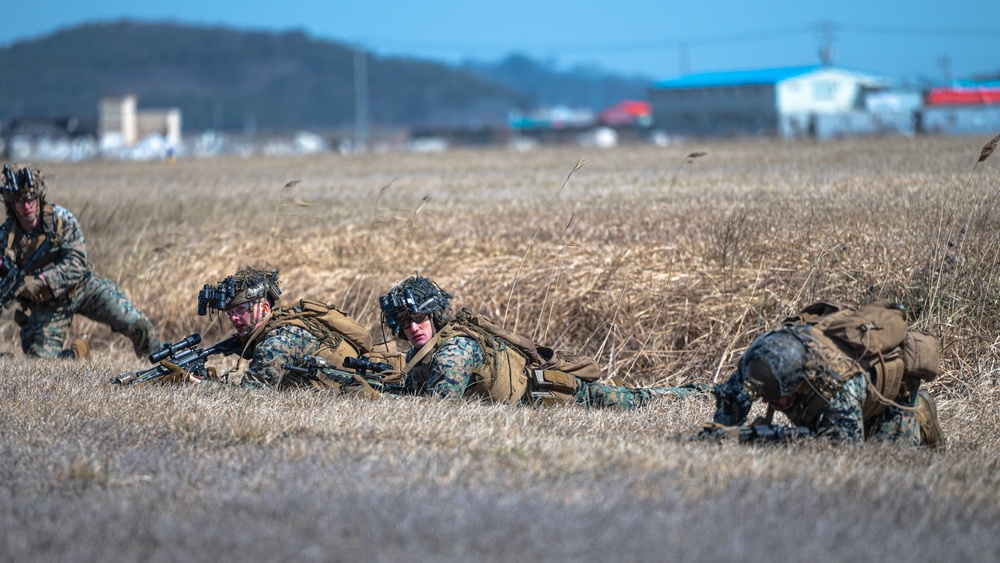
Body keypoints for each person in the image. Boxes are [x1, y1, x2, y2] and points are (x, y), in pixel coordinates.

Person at [376, 275, 707, 409]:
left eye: (420, 319)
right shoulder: (428, 350)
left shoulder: (454, 350)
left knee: (636, 401)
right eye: (406, 324)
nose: (414, 329)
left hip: (557, 396)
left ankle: (702, 394)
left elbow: (438, 408)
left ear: (434, 316)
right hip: (536, 397)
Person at [711, 300, 945, 446]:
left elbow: (842, 453)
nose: (765, 401)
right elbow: (731, 401)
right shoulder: (760, 358)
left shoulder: (839, 386)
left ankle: (919, 415)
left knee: (886, 457)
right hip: (834, 388)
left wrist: (777, 439)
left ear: (799, 385)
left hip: (892, 391)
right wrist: (722, 434)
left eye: (773, 398)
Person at [0, 164, 160, 359]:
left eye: (31, 200)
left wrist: (39, 281)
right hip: (48, 304)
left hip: (83, 288)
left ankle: (161, 363)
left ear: (39, 198)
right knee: (40, 359)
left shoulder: (61, 220)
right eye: (19, 202)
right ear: (10, 203)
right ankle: (76, 355)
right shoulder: (6, 238)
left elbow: (76, 264)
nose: (27, 207)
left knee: (137, 323)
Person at [192, 266, 389, 389]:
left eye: (241, 310)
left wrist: (200, 385)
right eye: (230, 313)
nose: (234, 318)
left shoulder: (277, 342)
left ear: (264, 307)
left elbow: (251, 394)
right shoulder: (281, 320)